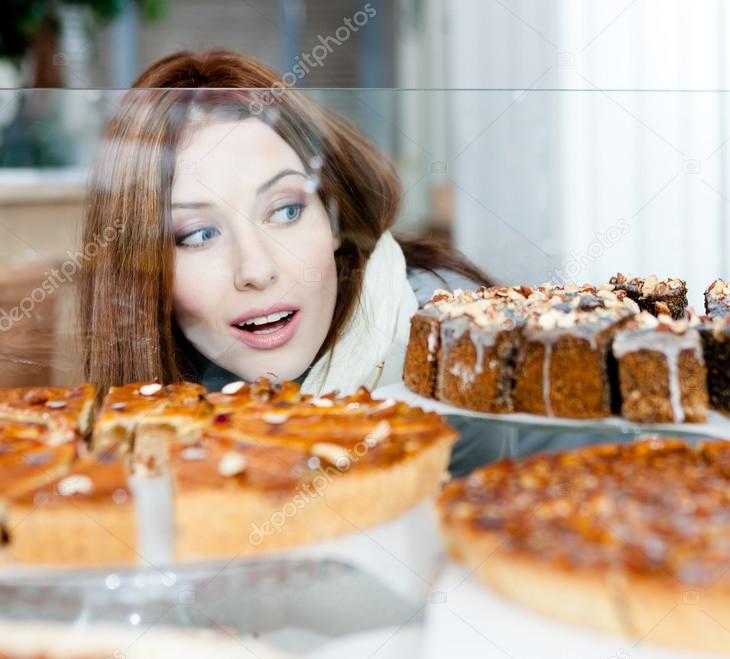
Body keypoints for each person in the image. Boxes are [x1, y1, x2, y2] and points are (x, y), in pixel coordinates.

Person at [79, 49, 491, 401]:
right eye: (200, 235)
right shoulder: (172, 390)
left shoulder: (460, 340)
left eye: (286, 211)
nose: (256, 270)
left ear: (333, 216)